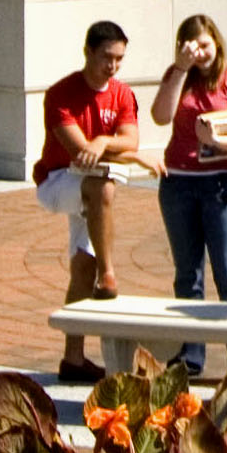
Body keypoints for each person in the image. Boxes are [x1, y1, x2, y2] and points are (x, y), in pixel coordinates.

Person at [32, 20, 157, 383]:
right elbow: (80, 155)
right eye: (106, 57)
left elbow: (128, 138)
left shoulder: (121, 94)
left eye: (119, 59)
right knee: (102, 186)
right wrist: (128, 156)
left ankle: (73, 360)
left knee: (81, 266)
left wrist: (106, 142)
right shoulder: (60, 94)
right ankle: (110, 274)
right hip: (57, 182)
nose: (113, 66)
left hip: (89, 187)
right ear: (87, 51)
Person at [150, 13, 227, 385]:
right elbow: (160, 115)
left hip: (223, 185)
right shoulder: (177, 76)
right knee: (187, 275)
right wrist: (180, 69)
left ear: (215, 40)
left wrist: (217, 141)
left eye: (204, 44)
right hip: (179, 185)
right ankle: (190, 357)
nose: (199, 52)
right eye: (190, 46)